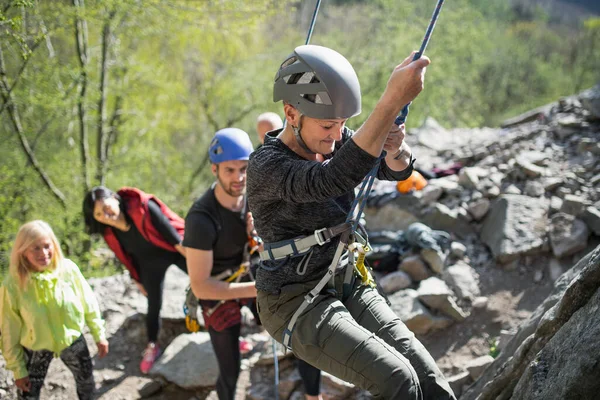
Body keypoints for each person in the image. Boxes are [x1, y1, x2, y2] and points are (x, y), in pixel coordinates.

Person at [247, 45, 456, 399]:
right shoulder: (266, 165)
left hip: (346, 278)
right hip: (294, 300)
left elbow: (394, 170)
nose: (336, 134)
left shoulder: (334, 140)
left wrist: (394, 147)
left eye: (342, 124)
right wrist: (389, 101)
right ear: (291, 113)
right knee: (398, 380)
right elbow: (330, 180)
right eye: (328, 124)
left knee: (428, 378)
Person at [184, 128, 323, 400]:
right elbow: (201, 287)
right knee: (230, 368)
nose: (239, 178)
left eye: (244, 169)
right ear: (214, 169)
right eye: (230, 170)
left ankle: (313, 396)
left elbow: (274, 250)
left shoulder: (256, 198)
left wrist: (259, 237)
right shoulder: (201, 218)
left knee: (300, 327)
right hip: (219, 289)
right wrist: (257, 291)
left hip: (250, 272)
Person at [82, 186, 187, 374]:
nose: (105, 215)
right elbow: (125, 258)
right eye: (99, 214)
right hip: (149, 265)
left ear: (115, 198)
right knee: (153, 304)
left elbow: (171, 233)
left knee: (204, 284)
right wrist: (137, 279)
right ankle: (152, 345)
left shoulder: (142, 207)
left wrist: (194, 258)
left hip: (173, 250)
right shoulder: (110, 233)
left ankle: (231, 325)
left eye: (106, 207)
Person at [0, 220, 108, 400]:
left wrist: (99, 334)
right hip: (35, 348)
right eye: (35, 248)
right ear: (23, 251)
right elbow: (9, 330)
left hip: (72, 340)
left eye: (46, 246)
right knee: (28, 395)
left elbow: (89, 303)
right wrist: (18, 369)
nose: (43, 253)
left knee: (87, 386)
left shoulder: (68, 270)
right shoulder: (13, 285)